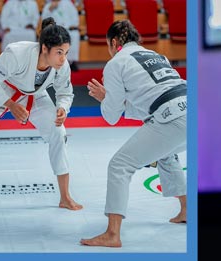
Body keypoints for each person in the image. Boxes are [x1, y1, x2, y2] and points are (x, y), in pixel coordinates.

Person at [0, 18, 81, 211]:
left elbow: (65, 93)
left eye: (66, 52)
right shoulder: (17, 53)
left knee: (58, 132)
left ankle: (65, 196)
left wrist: (62, 108)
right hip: (1, 90)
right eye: (59, 52)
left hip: (35, 95)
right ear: (44, 48)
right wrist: (10, 105)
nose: (63, 59)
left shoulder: (62, 66)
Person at [80, 20, 187, 248]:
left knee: (119, 165)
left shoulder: (116, 63)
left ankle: (112, 234)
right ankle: (187, 209)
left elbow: (111, 116)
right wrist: (113, 100)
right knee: (165, 152)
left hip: (172, 117)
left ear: (114, 42)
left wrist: (105, 98)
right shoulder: (157, 56)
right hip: (194, 110)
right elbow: (150, 105)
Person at [42, 0, 81, 71]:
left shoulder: (68, 3)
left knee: (75, 34)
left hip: (68, 28)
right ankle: (55, 62)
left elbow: (74, 16)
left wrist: (72, 25)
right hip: (55, 30)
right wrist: (50, 9)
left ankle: (71, 62)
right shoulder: (49, 5)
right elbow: (45, 20)